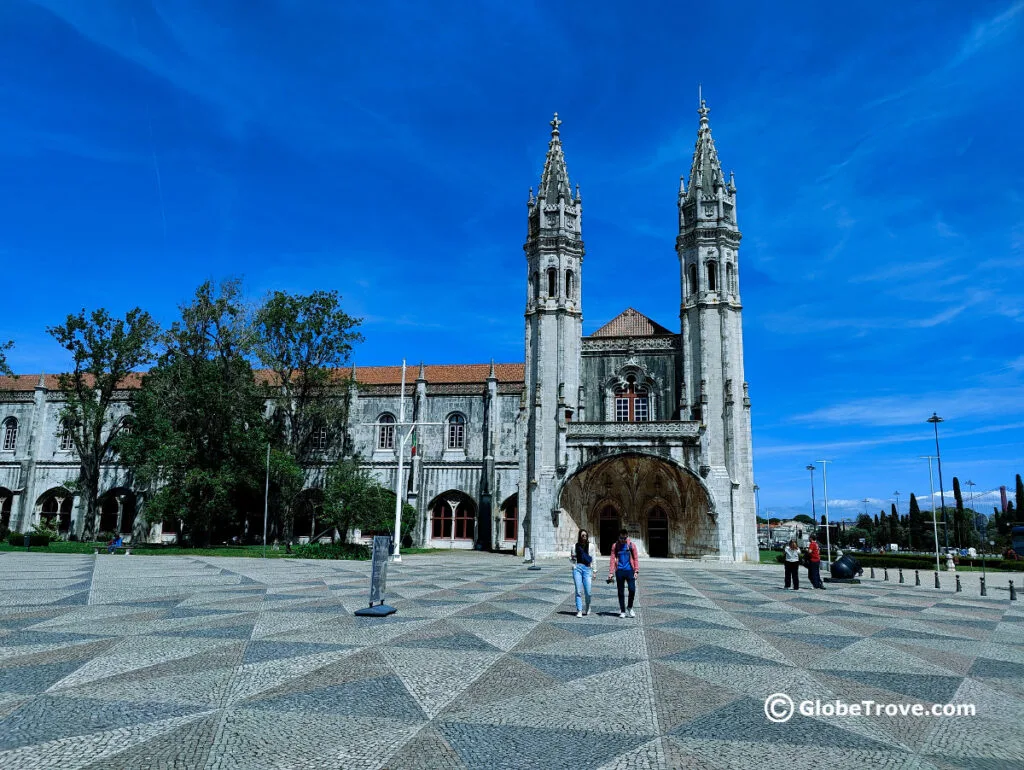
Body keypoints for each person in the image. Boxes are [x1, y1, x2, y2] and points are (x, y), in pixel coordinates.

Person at [608, 529, 639, 618]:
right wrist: (611, 572)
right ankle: (622, 610)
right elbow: (612, 559)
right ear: (618, 537)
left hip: (630, 570)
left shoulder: (631, 545)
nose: (623, 540)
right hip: (620, 571)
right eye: (621, 538)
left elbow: (636, 558)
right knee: (621, 591)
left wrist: (636, 570)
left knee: (632, 589)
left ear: (627, 537)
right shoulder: (615, 546)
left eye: (625, 538)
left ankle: (629, 607)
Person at [571, 529, 593, 618]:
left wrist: (594, 571)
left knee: (588, 592)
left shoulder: (591, 546)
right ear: (580, 536)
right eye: (582, 535)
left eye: (586, 535)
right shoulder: (574, 546)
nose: (584, 537)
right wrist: (573, 565)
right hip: (577, 569)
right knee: (578, 591)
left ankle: (588, 606)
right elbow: (572, 558)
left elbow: (593, 558)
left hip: (587, 569)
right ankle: (579, 610)